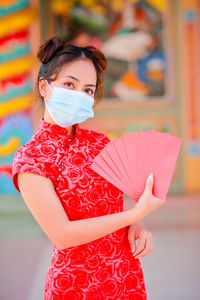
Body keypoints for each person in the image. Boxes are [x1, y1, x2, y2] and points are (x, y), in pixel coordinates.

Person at [12, 36, 166, 299]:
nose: (78, 95)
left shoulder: (100, 142)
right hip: (76, 283)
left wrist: (137, 222)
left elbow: (113, 203)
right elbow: (62, 235)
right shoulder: (31, 159)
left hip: (123, 273)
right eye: (69, 84)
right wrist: (133, 215)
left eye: (87, 90)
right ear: (44, 87)